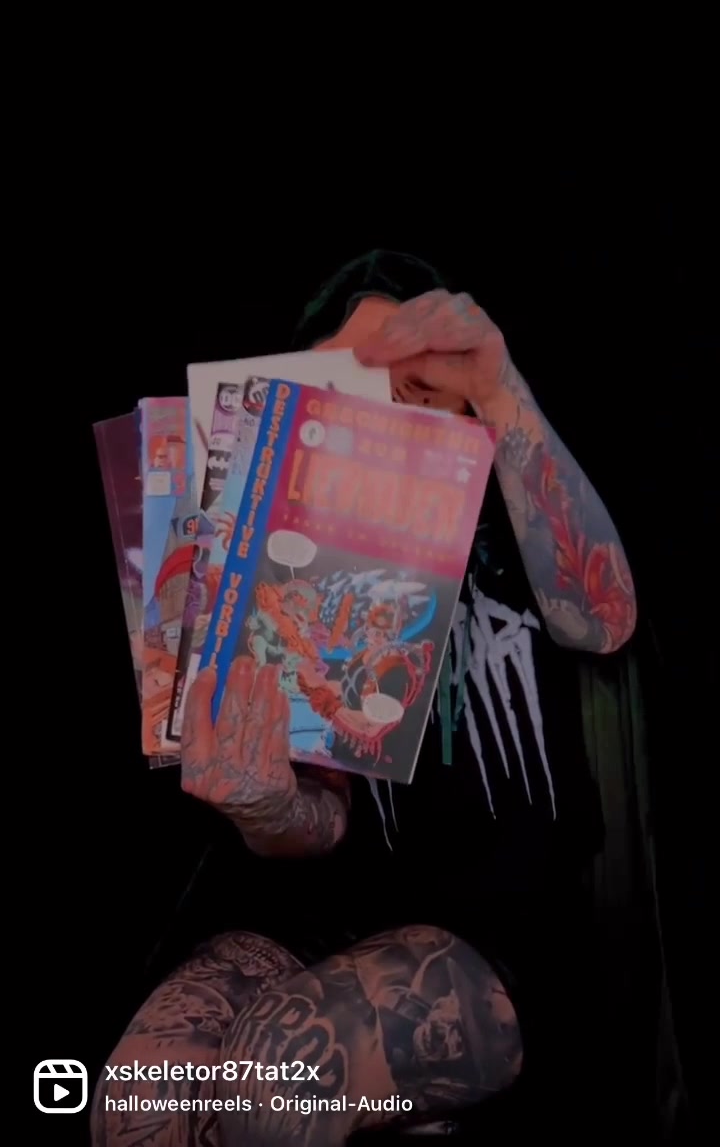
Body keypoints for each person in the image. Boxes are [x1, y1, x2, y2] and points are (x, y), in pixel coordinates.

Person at [93, 252, 637, 1147]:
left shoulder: (519, 517)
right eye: (345, 387)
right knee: (136, 1101)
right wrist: (263, 808)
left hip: (497, 934)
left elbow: (605, 620)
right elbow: (320, 823)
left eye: (415, 388)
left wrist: (498, 390)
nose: (384, 410)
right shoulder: (277, 569)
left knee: (279, 1069)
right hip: (312, 916)